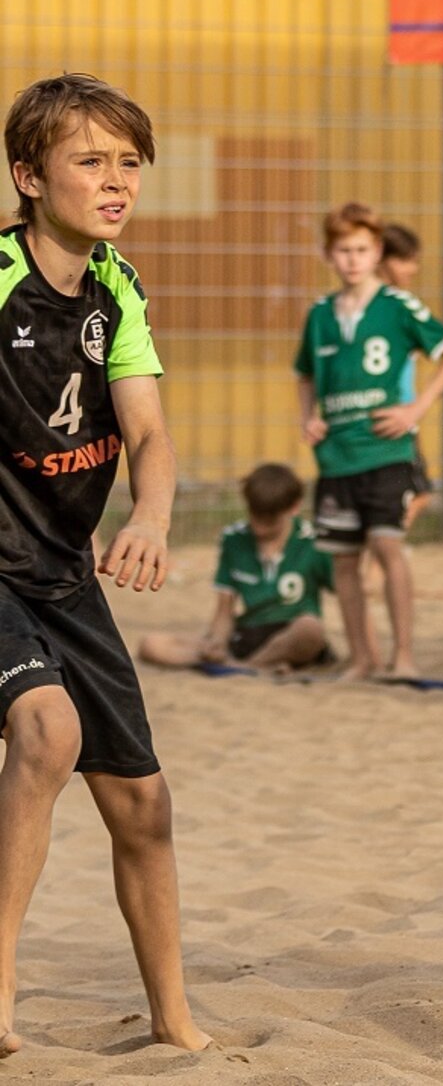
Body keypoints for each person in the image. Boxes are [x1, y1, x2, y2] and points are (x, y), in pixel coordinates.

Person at [0, 73, 208, 1055]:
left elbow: (151, 432)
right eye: (91, 160)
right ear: (28, 176)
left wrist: (152, 516)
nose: (117, 180)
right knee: (46, 731)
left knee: (144, 803)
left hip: (64, 575)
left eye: (129, 161)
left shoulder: (117, 289)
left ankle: (174, 1023)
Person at [296, 202, 443, 680]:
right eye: (344, 250)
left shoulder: (397, 306)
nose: (353, 259)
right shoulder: (321, 314)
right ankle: (362, 656)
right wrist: (309, 418)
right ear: (329, 254)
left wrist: (417, 407)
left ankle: (404, 655)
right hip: (337, 457)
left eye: (362, 250)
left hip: (386, 450)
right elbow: (304, 374)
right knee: (345, 564)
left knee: (389, 550)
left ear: (377, 253)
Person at [137, 463, 332, 673]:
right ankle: (254, 666)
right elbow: (224, 609)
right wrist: (217, 642)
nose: (259, 527)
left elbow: (349, 590)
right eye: (255, 516)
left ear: (293, 507)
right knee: (152, 645)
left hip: (292, 633)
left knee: (311, 628)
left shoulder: (314, 541)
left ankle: (246, 667)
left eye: (270, 520)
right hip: (247, 634)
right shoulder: (233, 539)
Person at [378, 222, 435, 530]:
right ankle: (381, 557)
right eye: (406, 260)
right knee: (417, 493)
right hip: (398, 414)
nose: (413, 269)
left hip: (397, 412)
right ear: (382, 260)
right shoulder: (400, 308)